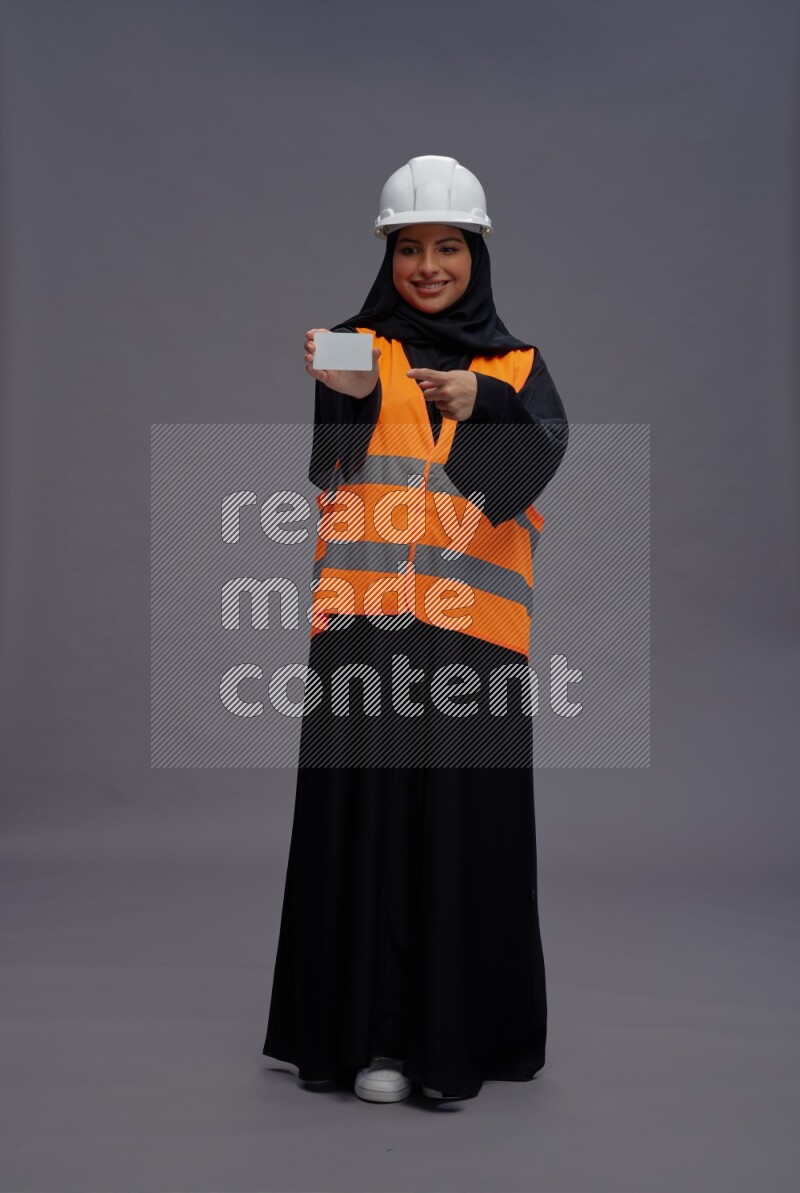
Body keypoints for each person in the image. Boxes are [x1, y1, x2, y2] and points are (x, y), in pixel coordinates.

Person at [261, 156, 569, 1103]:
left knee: (463, 839)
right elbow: (331, 469)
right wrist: (344, 398)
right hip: (364, 633)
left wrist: (492, 406)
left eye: (447, 247)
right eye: (409, 248)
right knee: (368, 830)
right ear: (387, 256)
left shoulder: (517, 367)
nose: (428, 265)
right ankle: (372, 1042)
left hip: (475, 640)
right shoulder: (355, 347)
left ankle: (454, 1046)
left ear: (477, 254)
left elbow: (524, 481)